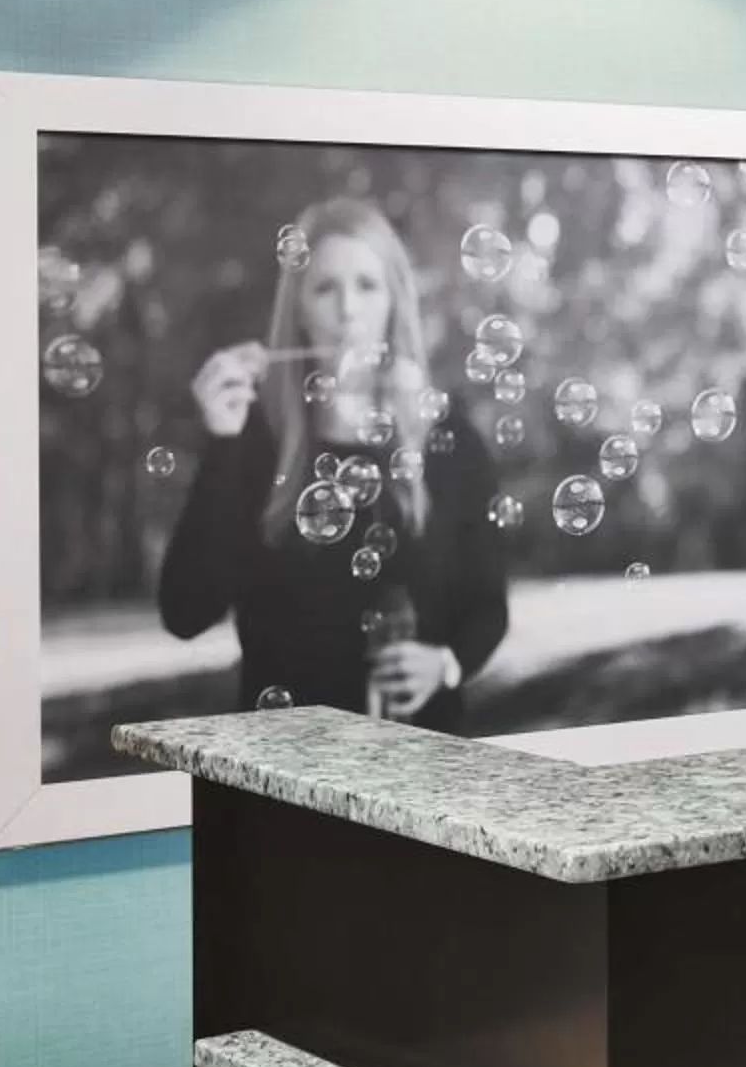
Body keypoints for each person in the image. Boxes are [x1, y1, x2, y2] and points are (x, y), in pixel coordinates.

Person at [158, 197, 508, 726]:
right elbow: (185, 612)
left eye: (366, 286)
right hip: (282, 771)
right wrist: (222, 442)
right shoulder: (257, 442)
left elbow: (488, 607)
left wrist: (447, 663)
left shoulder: (448, 439)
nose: (348, 310)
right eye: (326, 288)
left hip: (422, 769)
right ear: (297, 306)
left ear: (393, 301)